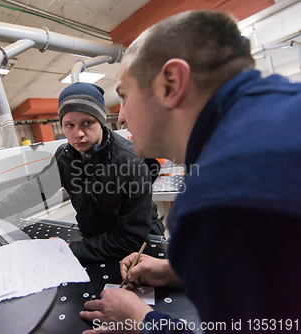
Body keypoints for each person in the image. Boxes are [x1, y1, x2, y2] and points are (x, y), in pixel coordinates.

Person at [80, 10, 301, 333]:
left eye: (124, 96)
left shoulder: (217, 200)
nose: (122, 118)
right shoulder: (281, 110)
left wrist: (143, 320)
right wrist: (178, 269)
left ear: (171, 83)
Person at [0, 82, 164, 264]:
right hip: (94, 242)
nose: (78, 134)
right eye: (70, 125)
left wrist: (70, 249)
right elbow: (36, 189)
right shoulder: (66, 156)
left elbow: (130, 239)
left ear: (100, 121)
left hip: (139, 249)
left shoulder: (131, 161)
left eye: (87, 123)